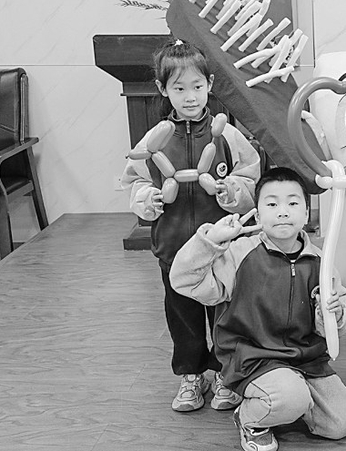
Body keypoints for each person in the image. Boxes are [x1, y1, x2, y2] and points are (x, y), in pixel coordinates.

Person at [170, 167, 346, 451]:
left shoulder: (322, 261)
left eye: (292, 203)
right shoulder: (239, 253)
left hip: (306, 360)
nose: (283, 212)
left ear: (306, 214)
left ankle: (285, 399)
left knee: (341, 423)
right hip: (252, 357)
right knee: (291, 397)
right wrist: (210, 241)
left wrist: (333, 315)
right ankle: (251, 418)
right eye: (272, 204)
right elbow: (184, 281)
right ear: (258, 217)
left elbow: (336, 328)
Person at [120, 39, 260, 413]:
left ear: (210, 84)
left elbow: (250, 177)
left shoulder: (228, 135)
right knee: (182, 315)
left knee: (226, 312)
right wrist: (147, 200)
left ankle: (227, 375)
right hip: (174, 247)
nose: (190, 96)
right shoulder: (153, 140)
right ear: (162, 89)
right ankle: (192, 374)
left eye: (197, 86)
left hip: (222, 249)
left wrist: (234, 192)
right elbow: (135, 181)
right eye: (179, 88)